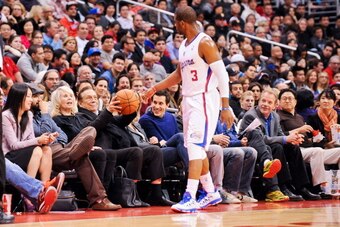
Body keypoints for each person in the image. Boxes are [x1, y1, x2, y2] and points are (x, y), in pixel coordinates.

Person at [143, 6, 234, 213]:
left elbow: (223, 76)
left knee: (193, 147)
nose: (175, 26)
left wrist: (225, 106)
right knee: (197, 148)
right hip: (189, 100)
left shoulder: (205, 42)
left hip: (204, 99)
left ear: (181, 22)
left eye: (175, 22)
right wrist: (155, 88)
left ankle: (190, 196)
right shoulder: (184, 45)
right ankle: (210, 192)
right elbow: (178, 75)